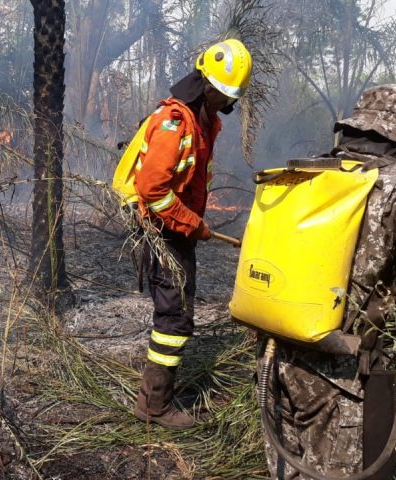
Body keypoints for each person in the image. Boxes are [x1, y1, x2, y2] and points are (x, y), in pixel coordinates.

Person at [257, 85, 396, 479]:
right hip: (338, 375)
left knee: (286, 470)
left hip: (273, 351)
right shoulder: (391, 189)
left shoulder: (308, 170)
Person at [132, 39, 253, 429]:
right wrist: (192, 225)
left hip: (178, 229)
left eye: (231, 96)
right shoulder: (175, 122)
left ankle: (156, 397)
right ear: (206, 83)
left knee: (178, 313)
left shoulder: (205, 119)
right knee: (174, 317)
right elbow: (152, 192)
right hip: (165, 231)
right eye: (222, 94)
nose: (226, 104)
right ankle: (154, 406)